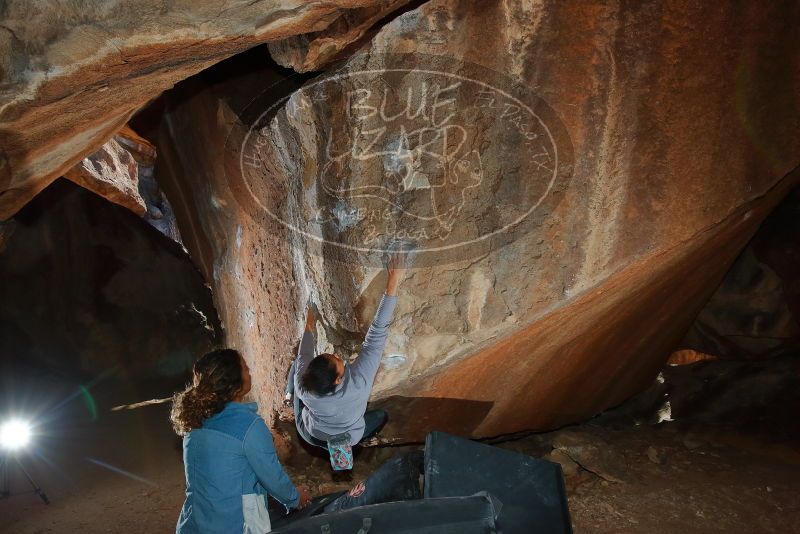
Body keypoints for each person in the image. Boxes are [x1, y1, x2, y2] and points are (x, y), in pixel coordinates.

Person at [171, 348, 310, 533]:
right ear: (234, 385)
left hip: (192, 525)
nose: (249, 370)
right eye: (245, 368)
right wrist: (296, 497)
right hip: (233, 527)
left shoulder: (194, 424)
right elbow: (272, 478)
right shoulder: (249, 426)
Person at [292, 251, 405, 448]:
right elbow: (377, 334)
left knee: (295, 367)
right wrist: (393, 281)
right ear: (338, 380)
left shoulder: (303, 387)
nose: (337, 355)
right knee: (382, 416)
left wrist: (310, 322)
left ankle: (287, 396)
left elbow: (303, 355)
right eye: (337, 360)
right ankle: (360, 444)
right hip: (347, 438)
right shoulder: (359, 383)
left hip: (312, 435)